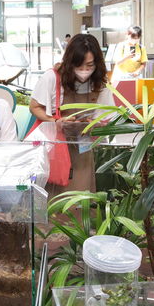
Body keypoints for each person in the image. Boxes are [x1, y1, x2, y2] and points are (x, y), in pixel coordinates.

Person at [29, 33, 113, 193]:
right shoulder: (53, 77)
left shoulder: (100, 83)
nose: (84, 71)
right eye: (79, 66)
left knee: (80, 198)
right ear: (70, 62)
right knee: (55, 197)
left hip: (83, 147)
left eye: (89, 66)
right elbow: (34, 106)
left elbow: (107, 117)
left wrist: (93, 124)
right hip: (56, 147)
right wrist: (55, 122)